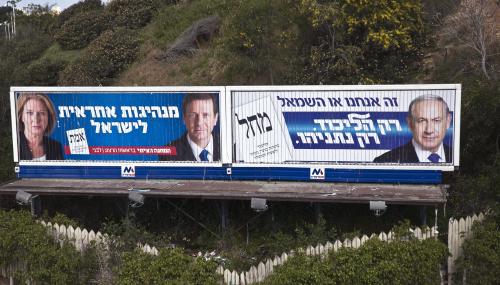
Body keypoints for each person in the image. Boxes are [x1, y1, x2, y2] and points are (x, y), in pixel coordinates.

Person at [373, 94, 452, 163]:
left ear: (448, 121)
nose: (429, 130)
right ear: (410, 123)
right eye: (421, 120)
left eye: (436, 120)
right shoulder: (385, 160)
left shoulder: (455, 156)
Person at [160, 93, 220, 162]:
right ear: (184, 118)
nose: (199, 123)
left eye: (205, 115)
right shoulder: (168, 154)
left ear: (215, 118)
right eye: (192, 115)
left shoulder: (229, 148)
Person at [17, 93, 63, 161]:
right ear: (21, 117)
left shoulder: (55, 147)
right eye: (29, 113)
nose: (36, 119)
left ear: (48, 117)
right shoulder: (15, 145)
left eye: (41, 113)